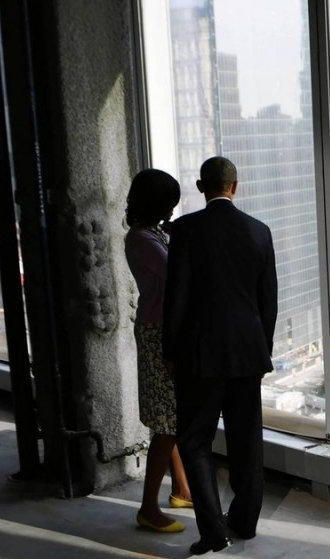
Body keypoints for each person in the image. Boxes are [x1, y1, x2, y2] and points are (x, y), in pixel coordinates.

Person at [163, 156, 278, 555]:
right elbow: (269, 304)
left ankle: (213, 530)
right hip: (248, 353)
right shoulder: (259, 232)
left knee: (195, 440)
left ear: (200, 187)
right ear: (235, 186)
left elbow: (175, 298)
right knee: (248, 442)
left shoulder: (185, 231)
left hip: (200, 355)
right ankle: (245, 521)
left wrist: (170, 352)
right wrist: (264, 352)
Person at [124, 168, 194, 533]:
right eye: (168, 203)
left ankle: (181, 489)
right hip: (157, 334)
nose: (171, 210)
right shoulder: (141, 239)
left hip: (163, 330)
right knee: (167, 423)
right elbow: (178, 272)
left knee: (172, 417)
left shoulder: (153, 234)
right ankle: (148, 508)